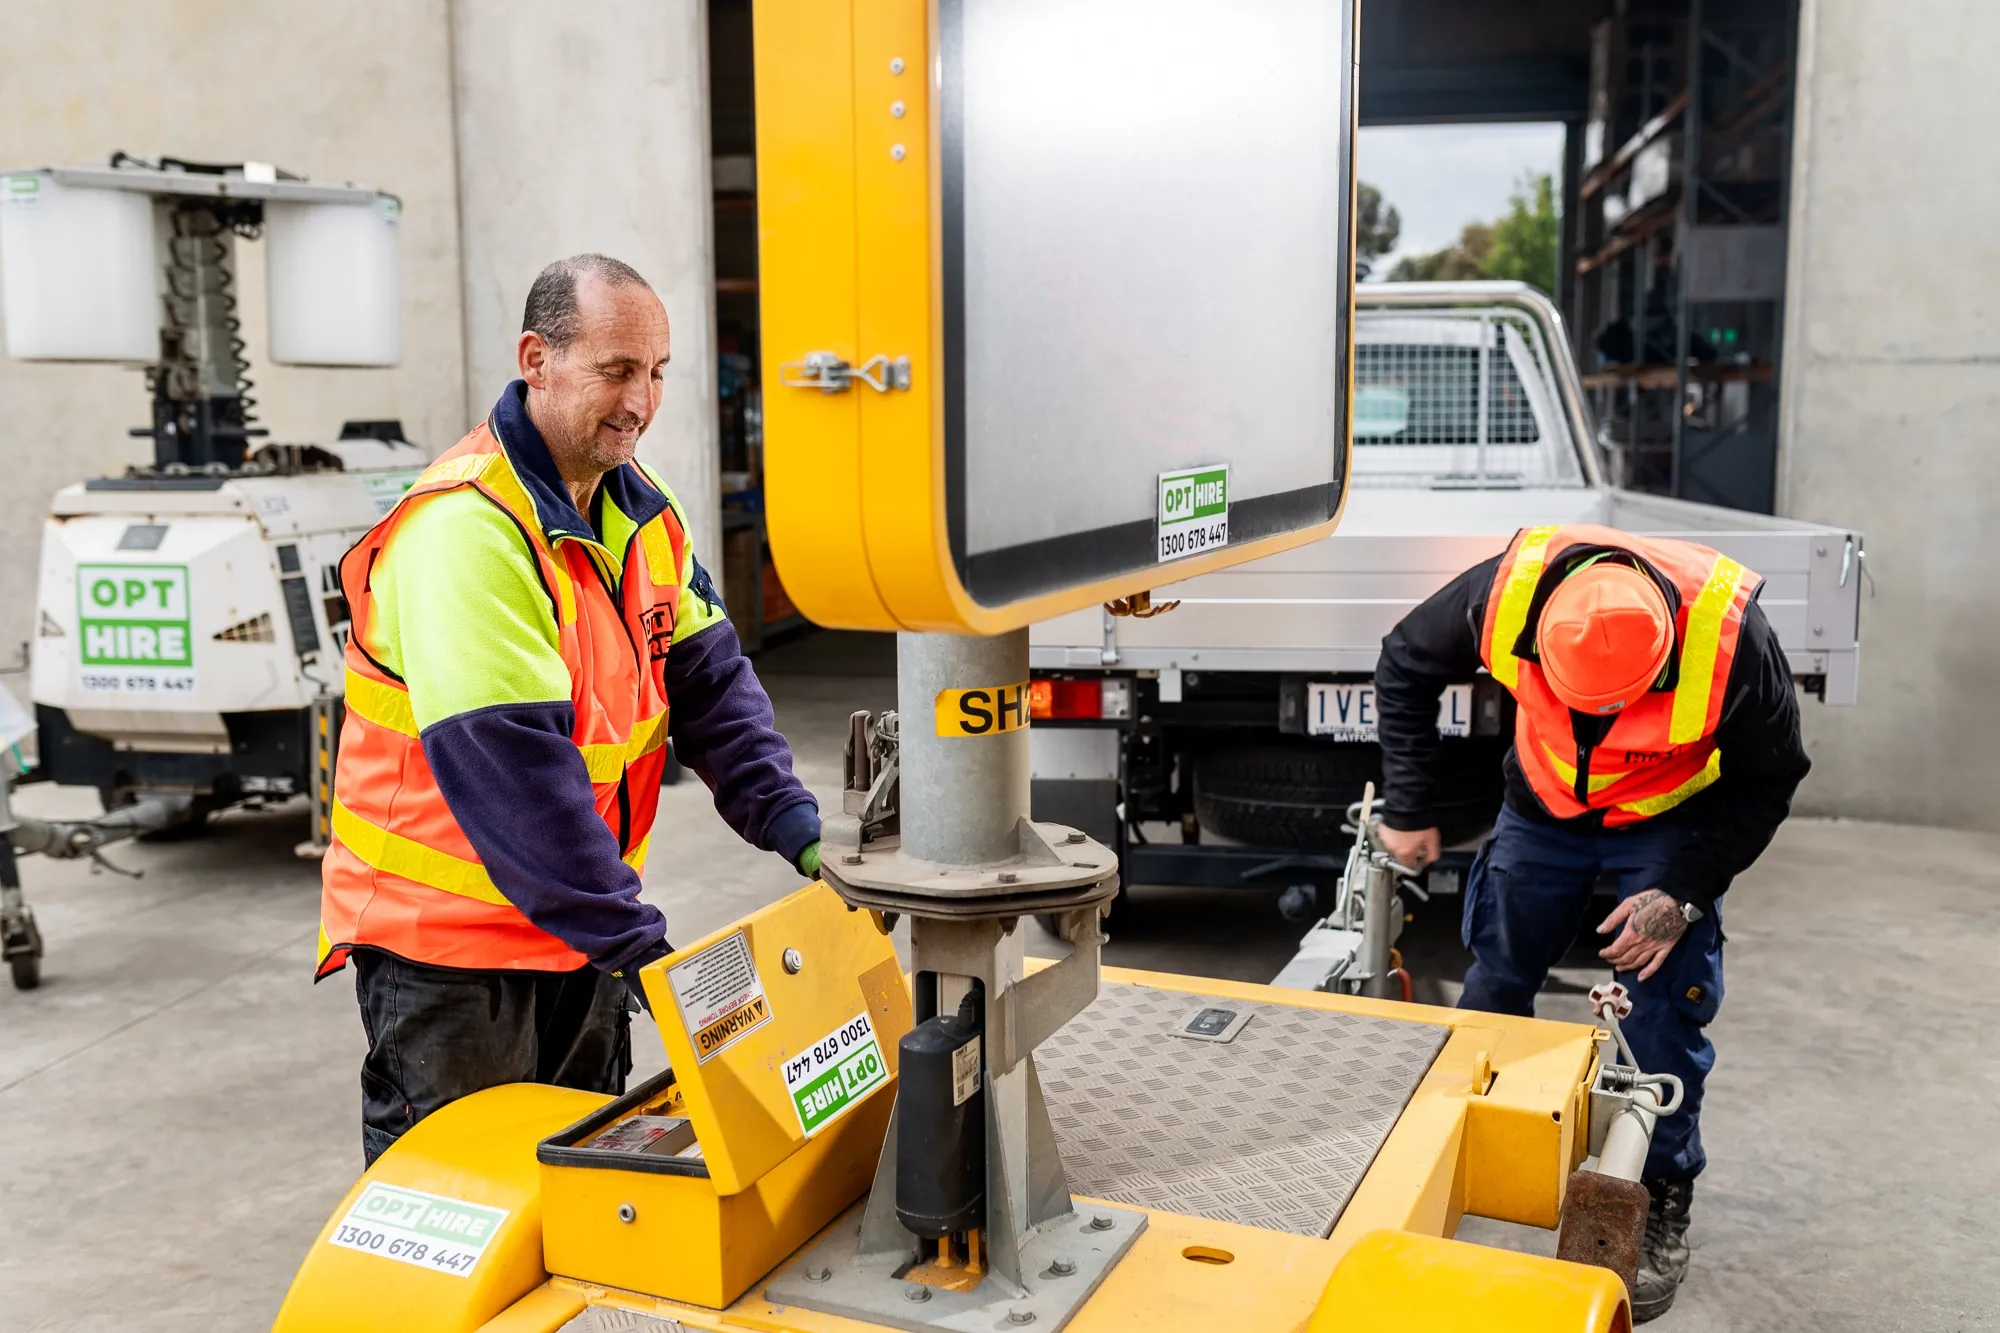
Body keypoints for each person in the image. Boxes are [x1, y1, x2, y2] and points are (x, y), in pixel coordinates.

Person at [315, 254, 823, 1165]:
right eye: (617, 370)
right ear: (536, 360)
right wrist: (635, 941)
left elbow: (711, 685)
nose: (643, 400)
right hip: (450, 954)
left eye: (659, 371)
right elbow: (513, 774)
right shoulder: (467, 529)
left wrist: (800, 829)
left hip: (575, 931)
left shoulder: (642, 509)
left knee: (579, 1199)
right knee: (462, 1211)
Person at [1371, 523, 1809, 1323]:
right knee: (1496, 977)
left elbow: (1771, 777)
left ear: (1663, 661)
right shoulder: (1504, 593)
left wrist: (1683, 893)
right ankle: (1458, 1145)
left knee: (1661, 1004)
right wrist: (1407, 805)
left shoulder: (1733, 637)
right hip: (1544, 803)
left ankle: (1661, 1189)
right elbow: (1404, 658)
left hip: (1667, 818)